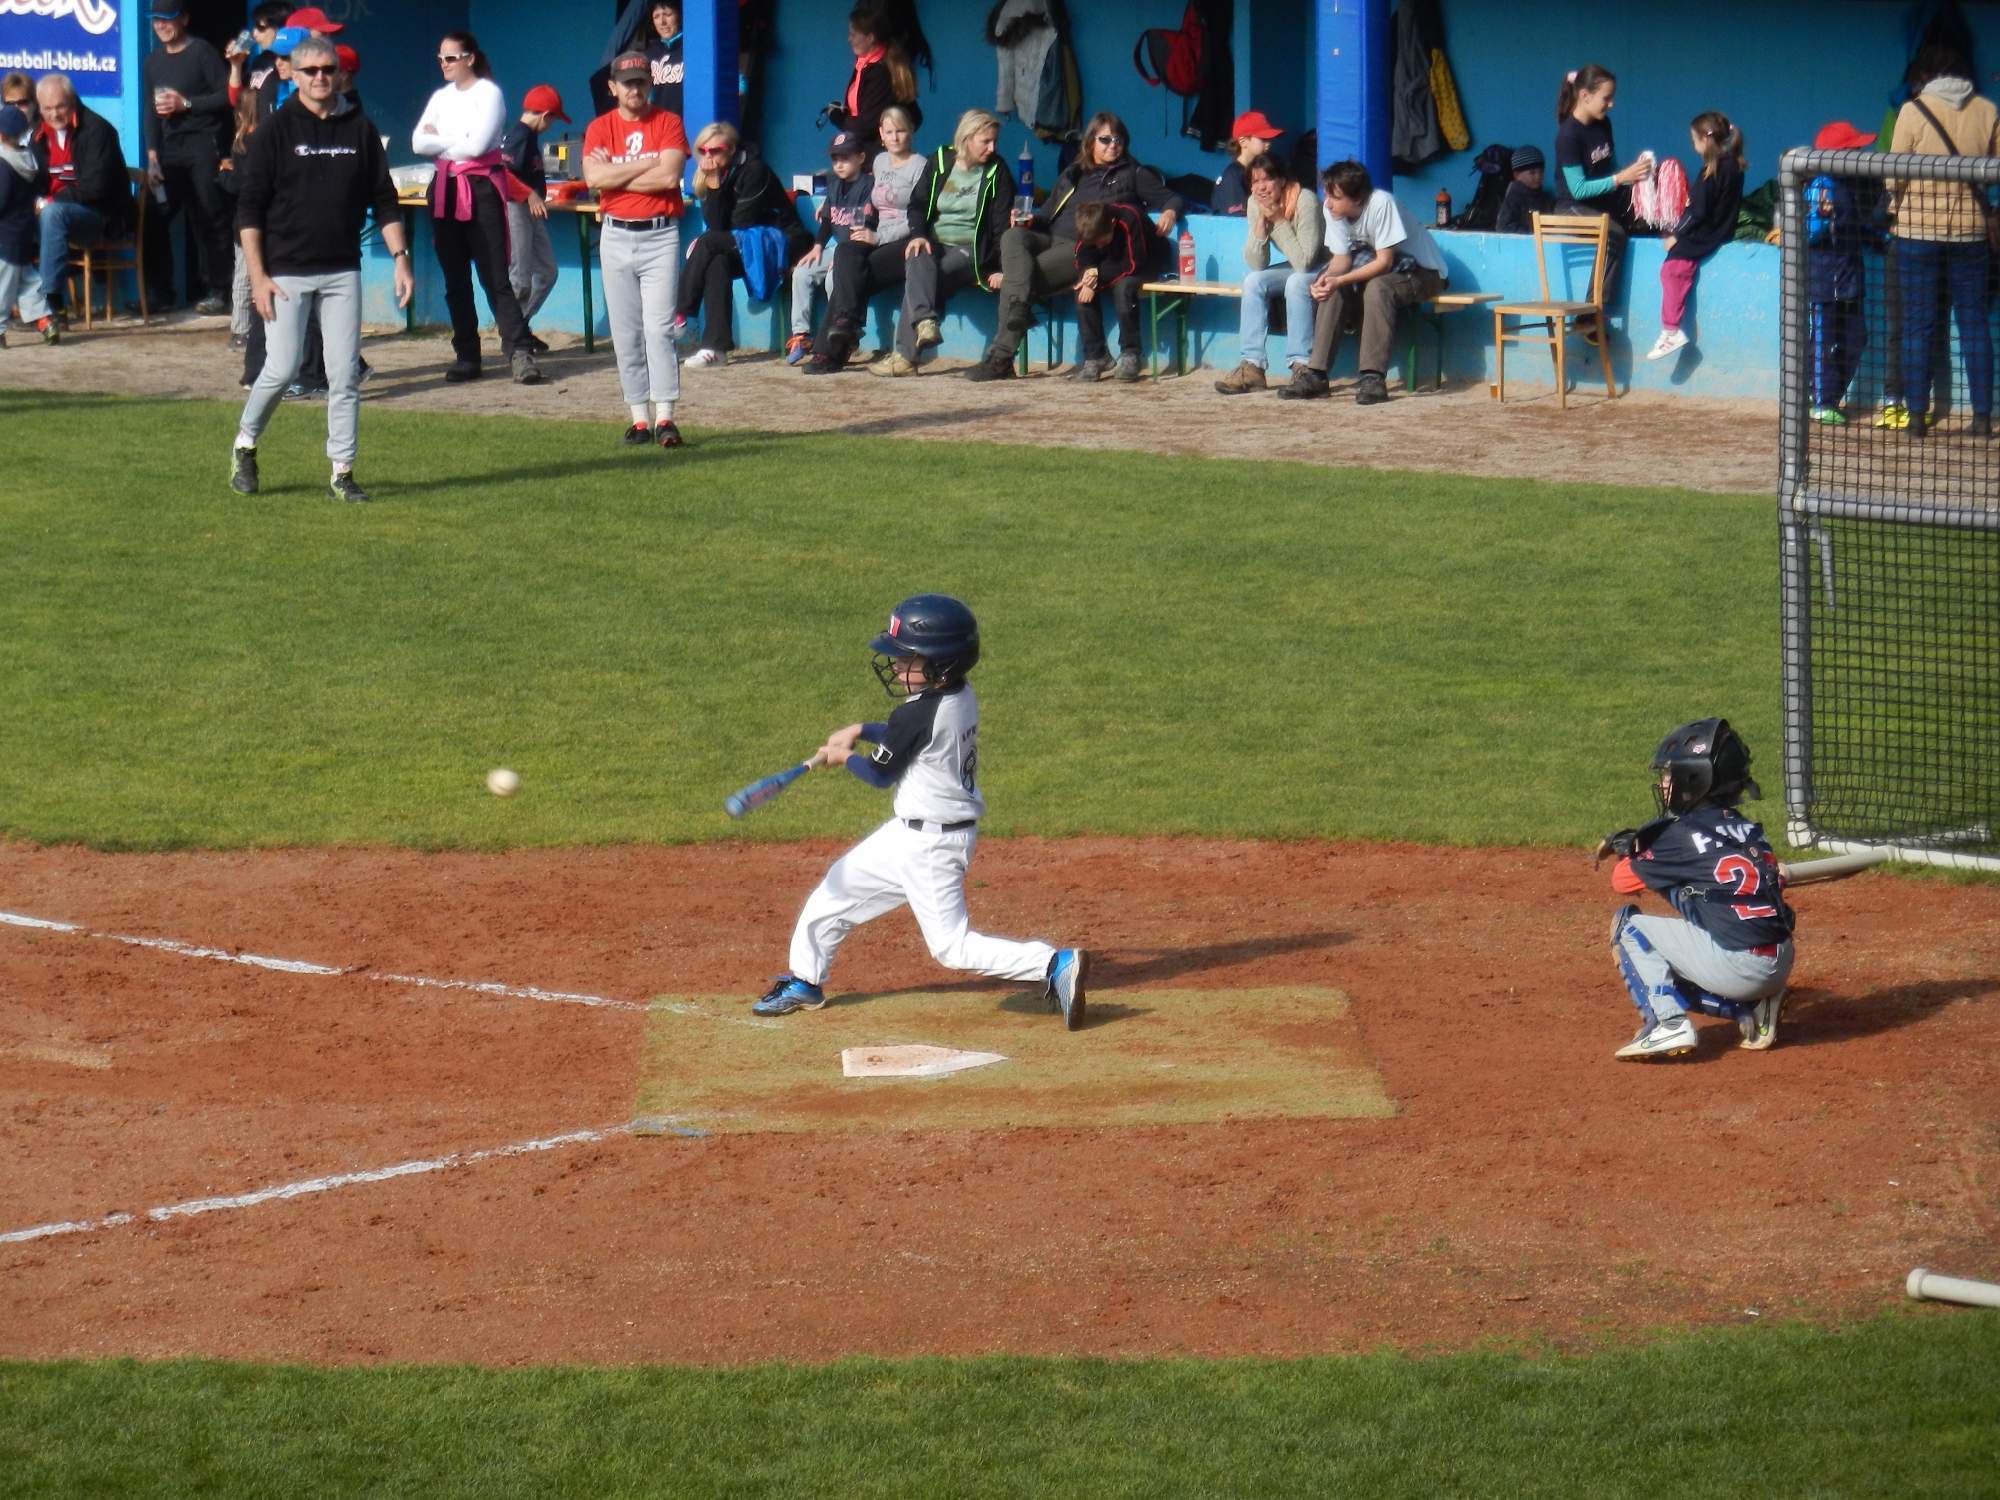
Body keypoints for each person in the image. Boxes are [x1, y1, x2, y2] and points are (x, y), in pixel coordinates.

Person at [748, 593, 1090, 1032]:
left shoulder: (921, 713)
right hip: (913, 834)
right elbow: (903, 730)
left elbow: (877, 774)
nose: (896, 665)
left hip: (932, 846)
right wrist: (858, 730)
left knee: (952, 948)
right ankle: (804, 982)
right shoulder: (958, 695)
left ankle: (1054, 963)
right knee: (836, 888)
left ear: (941, 663)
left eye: (907, 658)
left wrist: (842, 757)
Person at [228, 34, 413, 504]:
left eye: (327, 69)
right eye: (310, 70)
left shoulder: (359, 127)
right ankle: (246, 445)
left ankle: (342, 472)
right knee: (282, 368)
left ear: (340, 74)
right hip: (285, 270)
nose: (320, 78)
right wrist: (258, 277)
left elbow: (384, 199)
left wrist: (400, 259)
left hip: (341, 270)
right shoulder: (276, 128)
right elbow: (249, 210)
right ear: (292, 73)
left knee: (344, 374)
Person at [1598, 719, 1794, 1061]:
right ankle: (1752, 1006)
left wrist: (1639, 847)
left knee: (1629, 926)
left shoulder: (1679, 836)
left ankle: (1668, 1024)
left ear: (1694, 780)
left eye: (1670, 775)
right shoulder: (1748, 830)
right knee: (1703, 900)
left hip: (1738, 968)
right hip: (1780, 959)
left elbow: (1623, 882)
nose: (1664, 783)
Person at [965, 111, 1179, 383]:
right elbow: (1048, 212)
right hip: (1050, 236)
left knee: (1018, 281)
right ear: (1090, 141)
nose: (1113, 145)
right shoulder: (1075, 172)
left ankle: (1000, 358)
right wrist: (1031, 220)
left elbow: (1172, 198)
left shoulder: (1133, 174)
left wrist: (1170, 211)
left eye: (1118, 140)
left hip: (1082, 248)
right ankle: (1018, 309)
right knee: (1012, 237)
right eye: (1105, 139)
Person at [414, 30, 541, 384]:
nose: (444, 65)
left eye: (451, 58)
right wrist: (458, 140)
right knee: (455, 278)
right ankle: (467, 355)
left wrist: (441, 140)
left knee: (494, 276)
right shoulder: (441, 96)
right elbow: (417, 141)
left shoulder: (489, 93)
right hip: (445, 187)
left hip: (481, 188)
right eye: (440, 59)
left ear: (470, 58)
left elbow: (479, 146)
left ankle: (518, 351)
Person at [1886, 43, 1998, 441]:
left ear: (1926, 75)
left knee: (1917, 326)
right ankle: (1983, 418)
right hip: (1970, 234)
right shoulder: (1988, 111)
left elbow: (1893, 175)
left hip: (1916, 233)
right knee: (1973, 325)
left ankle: (1916, 418)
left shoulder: (1912, 112)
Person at [1276, 159, 1448, 406]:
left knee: (1379, 287)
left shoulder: (1381, 204)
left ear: (1356, 198)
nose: (1328, 203)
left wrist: (1340, 279)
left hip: (1424, 272)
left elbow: (1384, 262)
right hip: (1383, 271)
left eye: (1336, 197)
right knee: (1335, 287)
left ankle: (1372, 377)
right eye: (1327, 195)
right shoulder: (1332, 210)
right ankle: (1317, 375)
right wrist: (1324, 280)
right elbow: (1342, 260)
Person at [583, 50, 689, 448]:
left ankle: (665, 416)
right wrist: (644, 168)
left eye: (641, 81)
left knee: (659, 329)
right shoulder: (599, 128)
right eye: (628, 82)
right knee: (626, 332)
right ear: (613, 87)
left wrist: (616, 175)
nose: (635, 88)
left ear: (651, 83)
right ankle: (639, 418)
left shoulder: (668, 122)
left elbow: (670, 176)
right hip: (615, 233)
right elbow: (594, 177)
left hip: (660, 233)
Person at [884, 108, 1014, 378]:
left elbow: (1001, 226)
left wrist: (1001, 266)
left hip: (972, 249)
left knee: (930, 277)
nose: (992, 148)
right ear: (966, 138)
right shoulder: (940, 161)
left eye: (995, 142)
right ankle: (926, 322)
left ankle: (905, 355)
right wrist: (918, 234)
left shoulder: (997, 171)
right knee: (917, 254)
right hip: (936, 241)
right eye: (986, 141)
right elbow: (917, 205)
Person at [674, 120, 812, 366]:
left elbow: (740, 223)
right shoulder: (715, 175)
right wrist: (714, 184)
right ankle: (715, 349)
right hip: (747, 243)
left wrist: (715, 184)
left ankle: (681, 313)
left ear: (731, 149)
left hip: (783, 241)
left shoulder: (754, 171)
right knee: (717, 261)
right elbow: (719, 227)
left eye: (715, 150)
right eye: (703, 151)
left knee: (707, 244)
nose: (709, 157)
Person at [798, 103, 923, 372]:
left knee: (850, 277)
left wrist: (877, 237)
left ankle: (829, 352)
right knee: (844, 253)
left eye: (901, 131)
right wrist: (830, 206)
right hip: (874, 236)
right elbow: (858, 193)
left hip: (903, 241)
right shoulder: (879, 162)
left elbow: (918, 215)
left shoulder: (920, 166)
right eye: (889, 132)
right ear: (881, 134)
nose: (895, 137)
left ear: (910, 132)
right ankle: (844, 328)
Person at [141, 0, 234, 314]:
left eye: (167, 19)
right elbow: (150, 114)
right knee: (154, 216)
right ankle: (161, 292)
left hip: (203, 144)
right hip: (169, 151)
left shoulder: (202, 52)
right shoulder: (153, 61)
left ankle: (219, 290)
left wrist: (187, 105)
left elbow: (228, 97)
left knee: (209, 214)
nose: (161, 26)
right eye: (156, 20)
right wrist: (152, 156)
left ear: (183, 19)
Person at [1214, 151, 1324, 394]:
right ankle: (1252, 367)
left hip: (1325, 265)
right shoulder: (1255, 203)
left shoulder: (1305, 200)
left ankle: (1301, 366)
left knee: (1296, 282)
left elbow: (1306, 262)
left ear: (1282, 180)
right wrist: (1260, 233)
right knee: (1253, 281)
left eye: (1267, 180)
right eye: (1255, 182)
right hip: (1297, 265)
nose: (1261, 188)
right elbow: (1256, 263)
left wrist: (1279, 221)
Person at [29, 73, 131, 333]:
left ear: (72, 101)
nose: (54, 114)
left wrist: (50, 201)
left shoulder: (98, 130)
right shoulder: (38, 135)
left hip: (99, 215)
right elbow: (31, 181)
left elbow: (97, 187)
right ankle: (13, 305)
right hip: (53, 213)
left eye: (60, 106)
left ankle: (52, 304)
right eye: (47, 108)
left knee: (53, 213)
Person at [1552, 63, 1652, 312]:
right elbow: (1578, 190)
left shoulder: (1603, 124)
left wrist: (1635, 178)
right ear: (1585, 96)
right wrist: (1620, 178)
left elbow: (1611, 168)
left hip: (1603, 202)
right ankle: (1592, 311)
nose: (1611, 104)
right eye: (1606, 99)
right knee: (1613, 232)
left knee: (1650, 219)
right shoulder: (1568, 136)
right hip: (1572, 207)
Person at [1646, 112, 1745, 362]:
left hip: (1704, 235)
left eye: (1694, 139)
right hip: (1720, 231)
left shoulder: (1711, 171)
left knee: (1672, 270)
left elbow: (1698, 211)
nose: (1693, 145)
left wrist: (1677, 235)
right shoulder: (1734, 165)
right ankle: (1670, 330)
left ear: (1704, 139)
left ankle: (1671, 330)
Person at [1804, 121, 1879, 425]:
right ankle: (1821, 401)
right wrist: (1821, 217)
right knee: (1822, 340)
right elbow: (1808, 233)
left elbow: (1854, 226)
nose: (1860, 153)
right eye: (1854, 149)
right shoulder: (1821, 186)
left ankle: (1825, 394)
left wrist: (1880, 241)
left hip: (1849, 279)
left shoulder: (1849, 186)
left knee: (1856, 338)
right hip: (1826, 281)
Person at [787, 130, 874, 362]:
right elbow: (828, 219)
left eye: (846, 158)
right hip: (836, 248)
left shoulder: (868, 185)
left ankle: (842, 337)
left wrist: (843, 258)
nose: (840, 164)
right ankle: (801, 335)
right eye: (835, 159)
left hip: (856, 250)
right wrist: (817, 247)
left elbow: (858, 229)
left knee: (832, 280)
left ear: (861, 158)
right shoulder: (834, 184)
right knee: (802, 272)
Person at [502, 83, 569, 354]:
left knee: (547, 272)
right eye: (553, 119)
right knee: (520, 278)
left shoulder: (528, 137)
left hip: (531, 209)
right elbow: (502, 174)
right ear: (545, 115)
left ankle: (519, 326)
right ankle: (513, 337)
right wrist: (530, 194)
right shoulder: (519, 135)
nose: (551, 125)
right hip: (516, 207)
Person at [1068, 200, 1155, 381]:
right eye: (1095, 243)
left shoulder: (1129, 218)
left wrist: (1097, 276)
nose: (1098, 246)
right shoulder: (1090, 225)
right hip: (1107, 267)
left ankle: (1131, 354)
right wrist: (1088, 275)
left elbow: (1133, 263)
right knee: (1081, 291)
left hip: (1144, 267)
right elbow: (1083, 254)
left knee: (1123, 288)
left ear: (1113, 225)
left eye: (1102, 241)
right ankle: (1096, 357)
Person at [825, 4, 919, 145]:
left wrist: (836, 116)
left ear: (870, 38)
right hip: (865, 149)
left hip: (874, 155)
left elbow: (866, 126)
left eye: (853, 34)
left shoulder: (880, 72)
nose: (849, 39)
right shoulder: (866, 65)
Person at [0, 104, 53, 347]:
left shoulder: (4, 162)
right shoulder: (29, 156)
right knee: (29, 281)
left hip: (5, 236)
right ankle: (45, 320)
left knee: (3, 286)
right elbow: (42, 185)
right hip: (25, 232)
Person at [1210, 108, 1283, 215]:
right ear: (1243, 141)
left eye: (1269, 139)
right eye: (1263, 139)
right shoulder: (1233, 175)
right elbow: (1237, 219)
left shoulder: (1256, 171)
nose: (1268, 143)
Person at [1495, 145, 1556, 234]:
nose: (1538, 176)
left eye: (1541, 171)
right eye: (1532, 172)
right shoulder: (1512, 200)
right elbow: (1503, 227)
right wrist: (1534, 232)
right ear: (1516, 175)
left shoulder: (1547, 198)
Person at [645, 1, 684, 118]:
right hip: (659, 126)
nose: (662, 22)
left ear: (679, 15)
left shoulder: (694, 48)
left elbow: (739, 87)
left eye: (667, 14)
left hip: (692, 124)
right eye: (656, 16)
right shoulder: (648, 54)